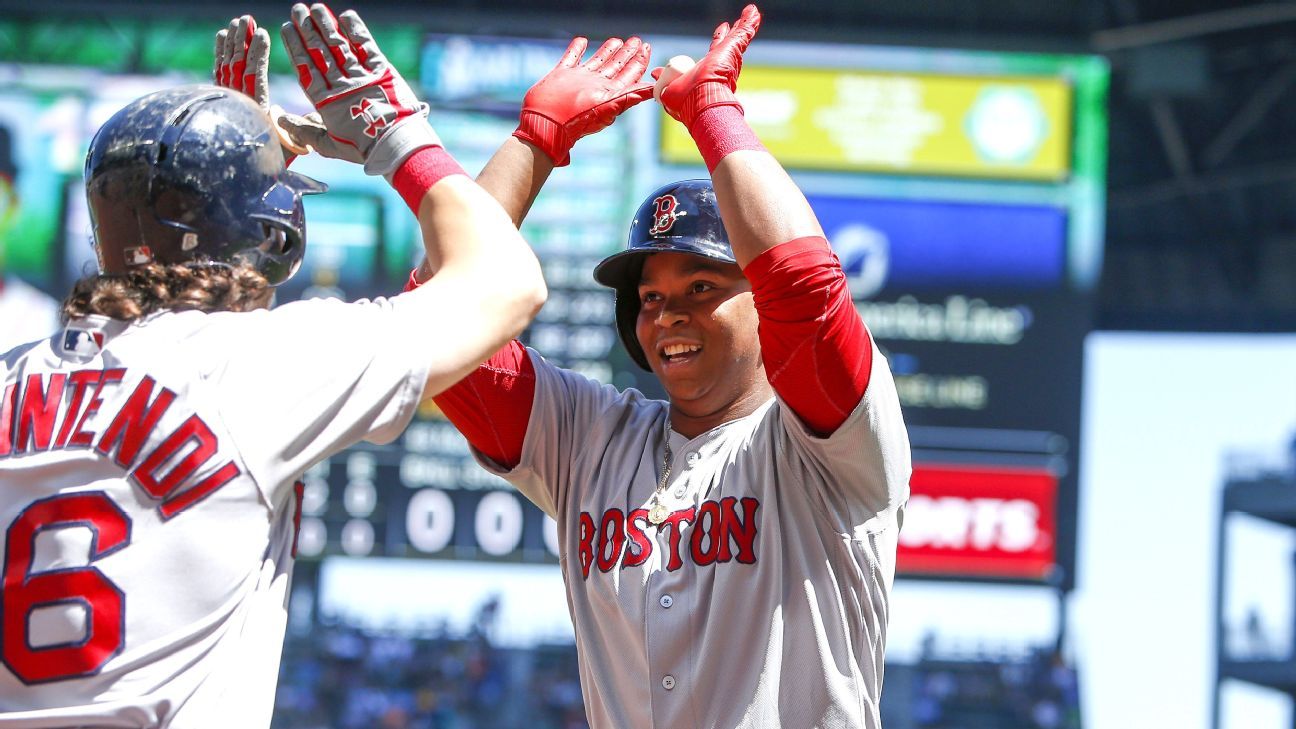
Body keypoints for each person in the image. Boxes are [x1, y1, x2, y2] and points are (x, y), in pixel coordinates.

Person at [295, 4, 909, 726]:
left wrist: (715, 115)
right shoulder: (594, 438)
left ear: (757, 302)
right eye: (650, 297)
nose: (666, 314)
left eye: (701, 287)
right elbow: (442, 309)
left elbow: (804, 289)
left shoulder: (829, 444)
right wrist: (534, 142)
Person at [0, 6, 545, 726]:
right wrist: (395, 136)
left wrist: (231, 158)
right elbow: (507, 283)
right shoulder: (259, 369)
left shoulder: (12, 374)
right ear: (273, 236)